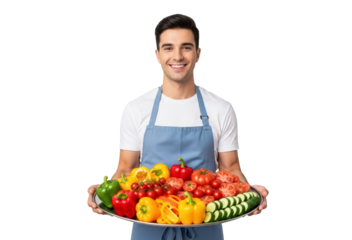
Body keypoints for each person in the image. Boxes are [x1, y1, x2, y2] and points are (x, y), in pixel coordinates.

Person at [85, 13, 270, 240]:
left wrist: (250, 193)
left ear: (199, 54)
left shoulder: (222, 108)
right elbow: (125, 168)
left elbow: (230, 169)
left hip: (205, 224)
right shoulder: (135, 108)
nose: (178, 56)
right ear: (157, 56)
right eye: (169, 48)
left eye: (186, 47)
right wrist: (102, 194)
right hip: (148, 224)